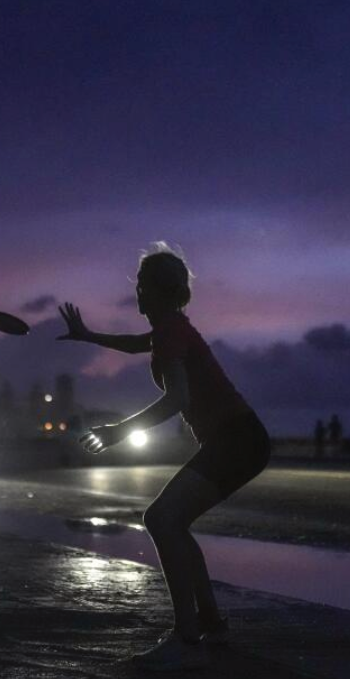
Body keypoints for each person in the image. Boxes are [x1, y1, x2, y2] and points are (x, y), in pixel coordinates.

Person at [57, 243, 270, 671]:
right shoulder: (169, 329)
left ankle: (186, 637)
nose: (136, 293)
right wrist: (90, 336)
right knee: (174, 522)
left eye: (140, 286)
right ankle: (209, 621)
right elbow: (139, 344)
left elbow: (177, 399)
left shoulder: (171, 330)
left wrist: (118, 432)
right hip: (239, 440)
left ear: (159, 291)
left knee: (160, 520)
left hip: (237, 440)